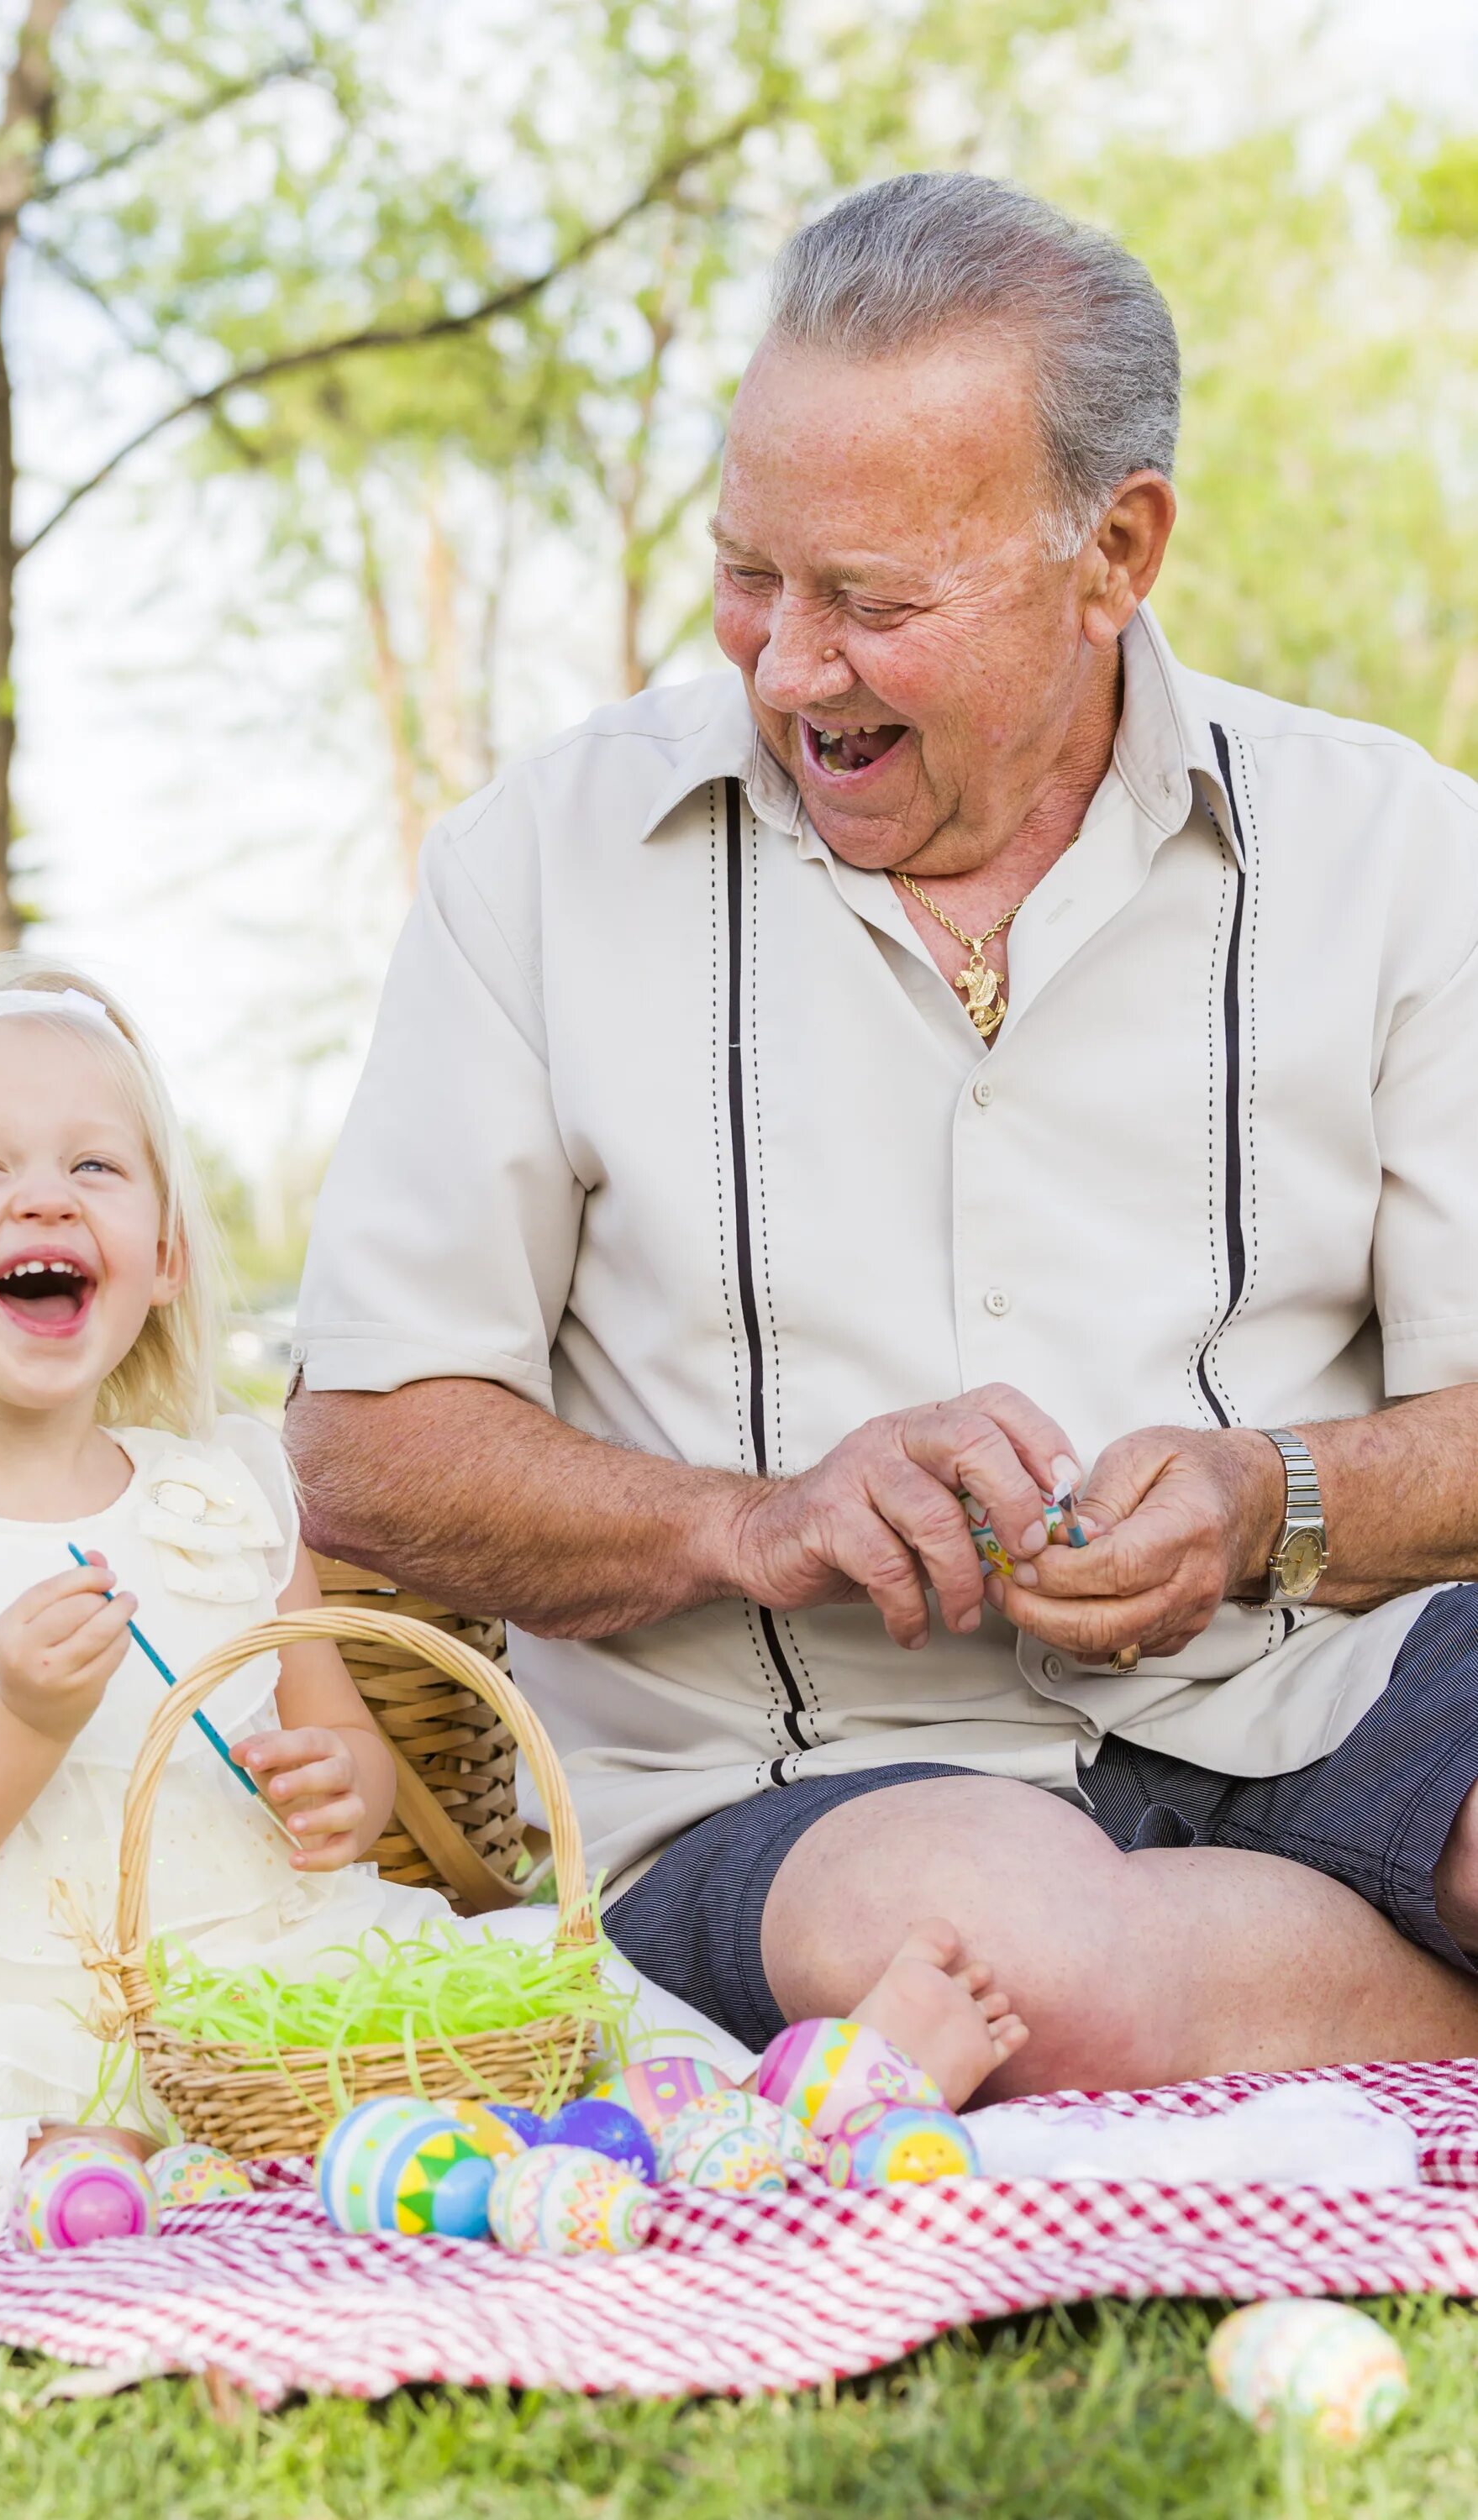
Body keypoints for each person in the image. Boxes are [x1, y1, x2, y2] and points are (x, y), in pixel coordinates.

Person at [287, 171, 1478, 2103]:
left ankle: (1248, 2028)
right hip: (792, 1791)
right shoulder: (538, 864)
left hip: (1313, 1685)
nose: (779, 665)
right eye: (749, 572)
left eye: (870, 602)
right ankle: (1333, 2032)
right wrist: (751, 1523)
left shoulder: (1398, 851)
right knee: (994, 1970)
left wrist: (1274, 1498)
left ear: (1115, 555)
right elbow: (361, 1458)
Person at [0, 955, 1018, 2232]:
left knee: (559, 1981)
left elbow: (355, 1769)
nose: (43, 1196)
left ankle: (799, 2101)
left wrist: (332, 1784)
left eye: (97, 1168)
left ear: (162, 1260)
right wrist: (17, 1724)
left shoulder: (229, 1492)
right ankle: (18, 2173)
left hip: (266, 1984)